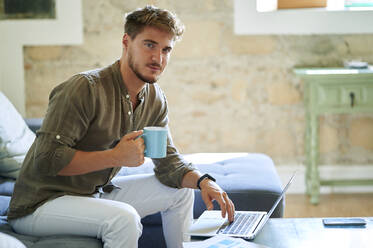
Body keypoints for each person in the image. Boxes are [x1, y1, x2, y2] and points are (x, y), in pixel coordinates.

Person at [8, 5, 235, 248]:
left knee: (180, 191)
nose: (158, 59)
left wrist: (204, 182)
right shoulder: (84, 88)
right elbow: (47, 158)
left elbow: (168, 162)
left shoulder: (154, 98)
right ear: (126, 41)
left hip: (92, 194)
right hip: (40, 204)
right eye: (149, 45)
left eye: (166, 49)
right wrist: (114, 156)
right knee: (124, 219)